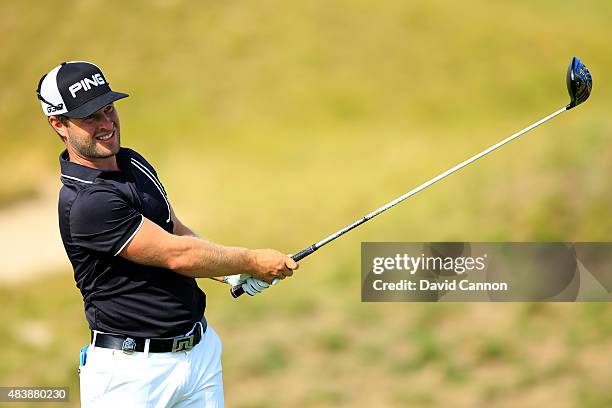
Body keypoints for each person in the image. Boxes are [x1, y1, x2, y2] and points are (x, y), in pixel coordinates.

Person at [36, 61, 298, 407]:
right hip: (131, 377)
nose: (106, 124)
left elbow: (174, 229)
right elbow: (177, 254)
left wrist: (232, 273)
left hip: (198, 354)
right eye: (89, 118)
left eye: (109, 109)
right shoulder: (87, 202)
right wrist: (251, 260)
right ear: (59, 124)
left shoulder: (132, 163)